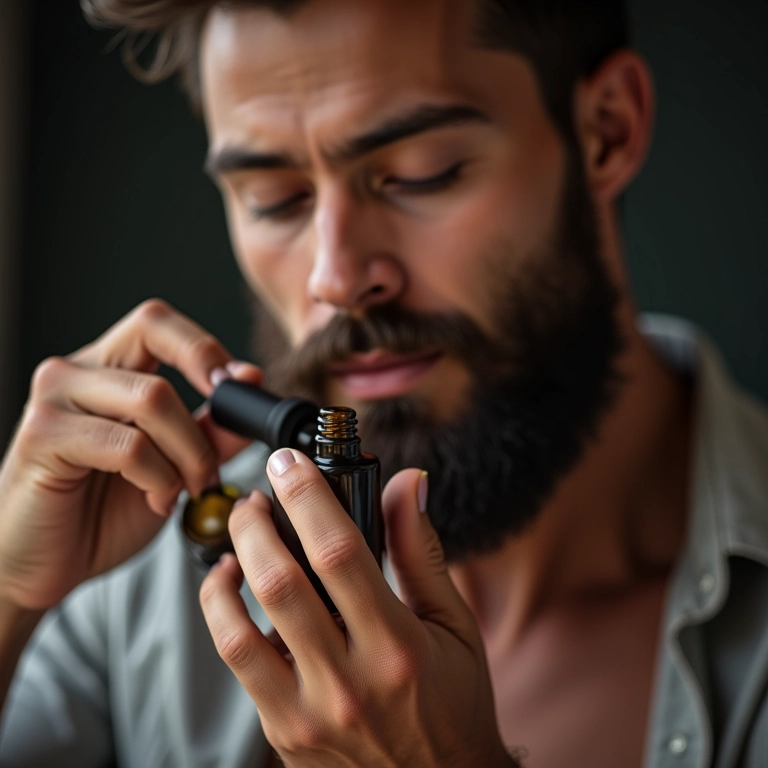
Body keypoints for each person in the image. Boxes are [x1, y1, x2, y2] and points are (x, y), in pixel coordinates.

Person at [1, 0, 767, 766]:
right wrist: (10, 595)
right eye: (276, 199)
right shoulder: (135, 573)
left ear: (608, 130)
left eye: (418, 175)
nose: (335, 277)